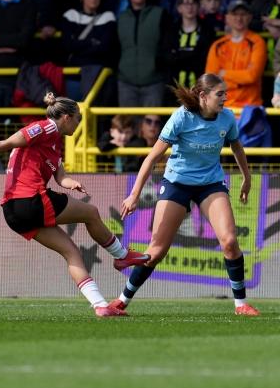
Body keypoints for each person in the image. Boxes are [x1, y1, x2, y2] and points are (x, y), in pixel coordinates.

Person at [0, 93, 148, 317]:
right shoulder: (45, 128)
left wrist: (71, 183)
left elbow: (60, 178)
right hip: (29, 200)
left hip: (13, 213)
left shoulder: (55, 144)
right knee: (91, 213)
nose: (78, 125)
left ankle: (100, 306)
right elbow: (8, 143)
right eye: (77, 119)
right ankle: (121, 255)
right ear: (66, 117)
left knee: (71, 252)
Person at [108, 73, 260, 316]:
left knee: (230, 242)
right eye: (220, 94)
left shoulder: (227, 118)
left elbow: (236, 147)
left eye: (225, 93)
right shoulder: (181, 117)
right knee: (156, 251)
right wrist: (134, 194)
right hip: (177, 183)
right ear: (203, 96)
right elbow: (153, 157)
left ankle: (241, 303)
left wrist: (247, 178)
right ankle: (121, 301)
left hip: (210, 184)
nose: (225, 98)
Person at [205, 0, 267, 107]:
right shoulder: (218, 45)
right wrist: (240, 81)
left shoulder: (257, 42)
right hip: (222, 107)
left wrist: (224, 74)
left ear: (250, 17)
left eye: (243, 14)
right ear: (227, 18)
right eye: (234, 14)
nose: (239, 18)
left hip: (250, 107)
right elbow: (211, 81)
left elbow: (252, 76)